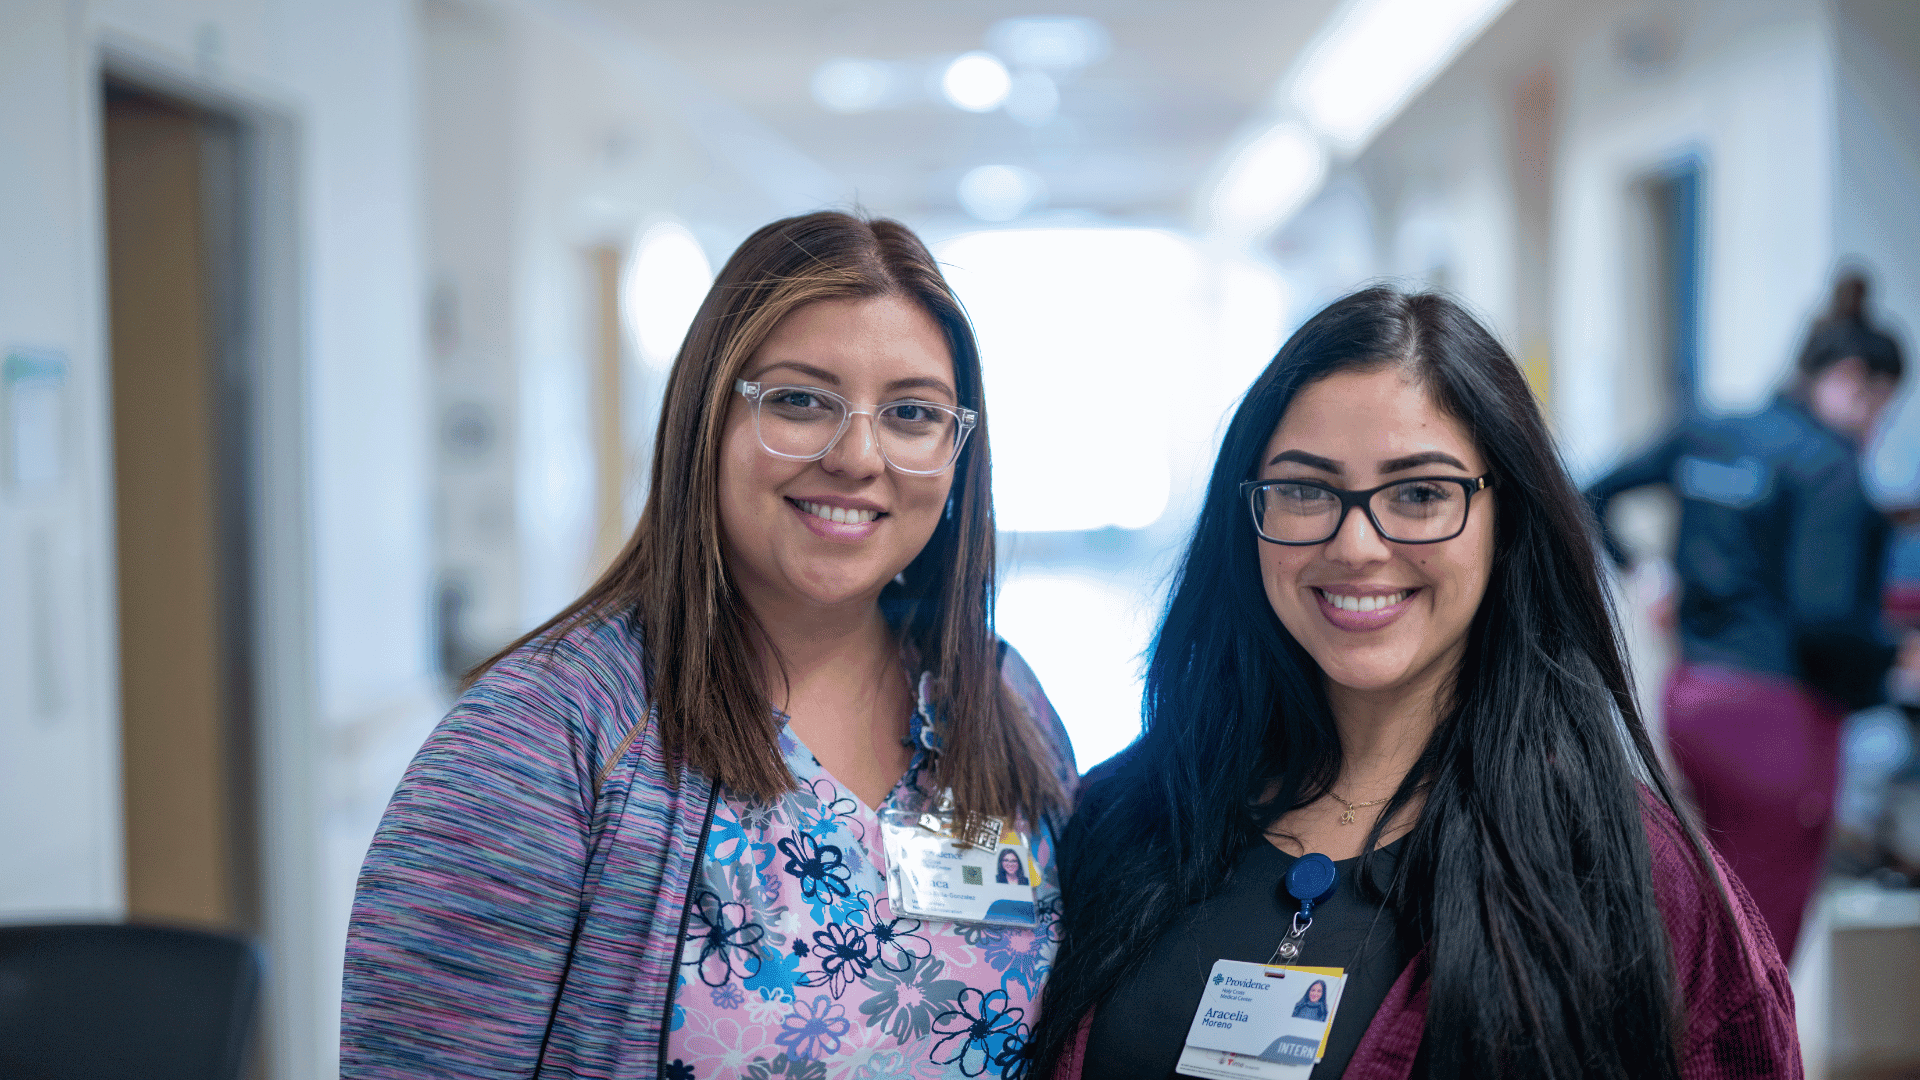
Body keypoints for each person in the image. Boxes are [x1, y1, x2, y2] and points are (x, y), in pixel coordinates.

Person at [341, 212, 1076, 1079]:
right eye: (800, 401)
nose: (857, 457)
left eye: (912, 413)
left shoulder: (997, 697)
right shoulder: (540, 736)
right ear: (706, 419)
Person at [1033, 288, 1797, 1080]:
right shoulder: (1121, 820)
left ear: (1508, 520)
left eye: (1421, 493)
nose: (1357, 545)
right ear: (1246, 515)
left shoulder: (1632, 877)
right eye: (1304, 489)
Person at [1585, 271, 1909, 960]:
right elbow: (1824, 620)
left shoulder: (1710, 431)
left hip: (1690, 706)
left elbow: (1592, 493)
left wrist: (1643, 569)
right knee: (1758, 952)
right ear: (1853, 381)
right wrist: (1894, 661)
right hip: (1777, 728)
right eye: (1881, 408)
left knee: (1705, 925)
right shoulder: (1829, 464)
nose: (1876, 429)